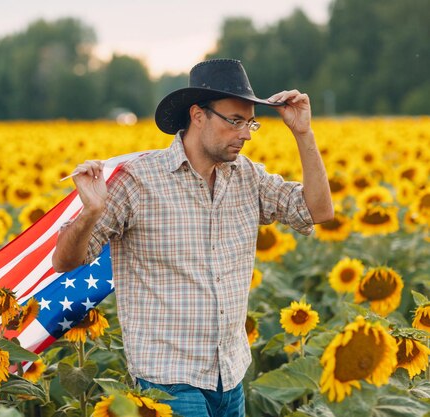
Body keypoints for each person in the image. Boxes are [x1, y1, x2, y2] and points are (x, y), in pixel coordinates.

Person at [52, 59, 333, 417]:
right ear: (198, 115)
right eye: (235, 121)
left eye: (250, 123)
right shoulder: (139, 180)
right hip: (168, 379)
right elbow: (65, 261)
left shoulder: (247, 176)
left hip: (229, 375)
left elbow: (318, 211)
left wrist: (303, 133)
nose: (246, 133)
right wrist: (90, 213)